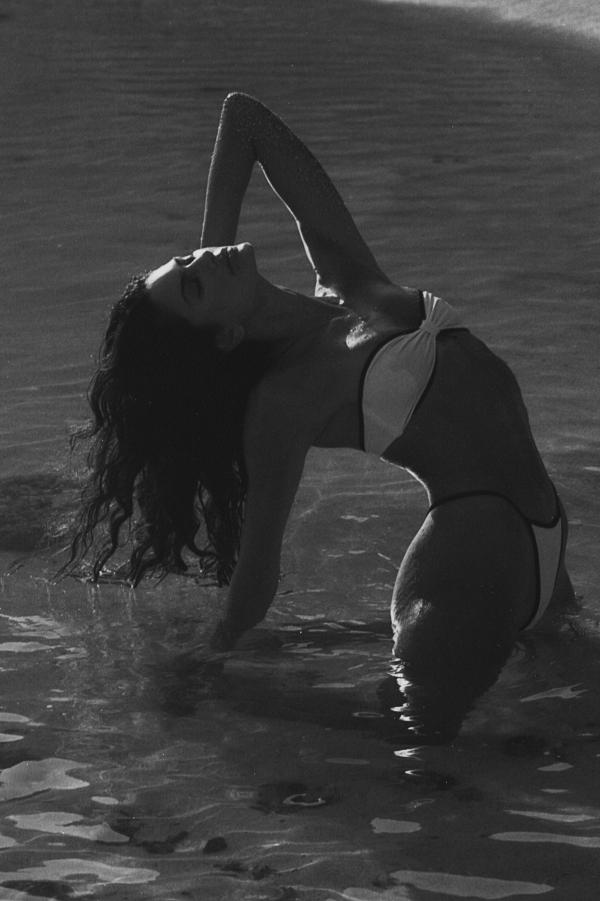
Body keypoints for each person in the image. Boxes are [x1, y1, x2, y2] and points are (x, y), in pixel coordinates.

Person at [68, 93, 573, 738]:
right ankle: (231, 707)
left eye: (188, 259)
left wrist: (212, 260)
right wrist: (215, 653)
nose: (202, 259)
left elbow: (245, 119)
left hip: (545, 534)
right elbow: (258, 568)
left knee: (567, 727)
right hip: (465, 561)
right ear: (221, 337)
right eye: (194, 283)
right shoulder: (282, 401)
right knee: (420, 751)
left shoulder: (345, 275)